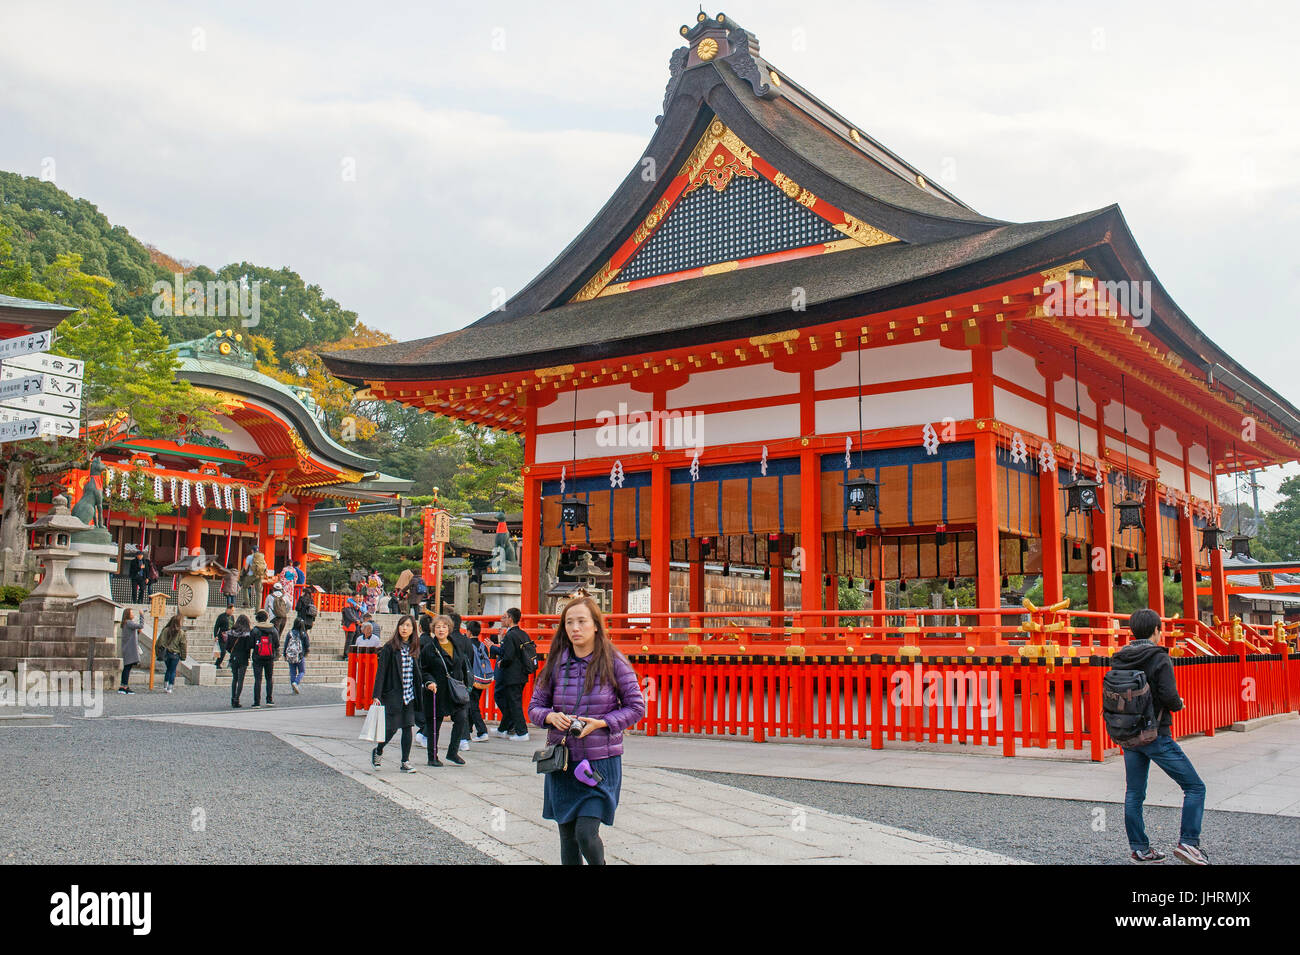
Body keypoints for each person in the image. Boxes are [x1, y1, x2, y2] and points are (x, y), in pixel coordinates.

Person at [529, 596, 645, 866]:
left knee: (586, 835)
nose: (574, 628)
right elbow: (535, 707)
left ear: (596, 625)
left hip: (599, 764)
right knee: (567, 837)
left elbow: (636, 707)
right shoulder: (557, 663)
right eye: (569, 622)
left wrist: (601, 723)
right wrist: (550, 716)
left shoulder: (613, 661)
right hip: (563, 764)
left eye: (581, 621)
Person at [1112, 607, 1208, 865]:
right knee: (1195, 787)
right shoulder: (1159, 657)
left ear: (1132, 631)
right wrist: (1179, 704)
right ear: (1156, 630)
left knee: (1134, 793)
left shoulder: (1120, 657)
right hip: (1155, 734)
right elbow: (1168, 695)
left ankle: (1139, 849)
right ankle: (1188, 843)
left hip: (1128, 734)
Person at [370, 614, 434, 774]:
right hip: (393, 693)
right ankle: (378, 750)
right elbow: (381, 672)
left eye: (408, 626)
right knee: (391, 728)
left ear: (413, 630)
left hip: (409, 694)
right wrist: (376, 694)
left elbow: (419, 671)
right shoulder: (390, 647)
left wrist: (426, 683)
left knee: (408, 727)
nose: (404, 628)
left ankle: (405, 761)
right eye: (402, 625)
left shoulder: (414, 648)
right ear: (398, 627)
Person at [422, 614, 472, 766]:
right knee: (434, 724)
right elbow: (423, 669)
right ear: (433, 629)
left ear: (449, 629)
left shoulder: (456, 644)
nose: (441, 630)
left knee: (462, 717)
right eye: (438, 627)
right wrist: (429, 681)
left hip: (455, 689)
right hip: (437, 689)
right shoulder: (429, 648)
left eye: (444, 627)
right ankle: (432, 756)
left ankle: (453, 752)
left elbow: (463, 664)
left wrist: (466, 681)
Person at [493, 608, 533, 741]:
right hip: (522, 673)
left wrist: (502, 663)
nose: (502, 619)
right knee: (512, 702)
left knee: (514, 703)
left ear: (510, 618)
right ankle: (502, 729)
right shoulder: (523, 634)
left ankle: (522, 732)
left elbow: (508, 656)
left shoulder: (511, 635)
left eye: (504, 617)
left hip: (512, 675)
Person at [465, 620, 493, 743]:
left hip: (471, 679)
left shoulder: (467, 645)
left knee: (472, 705)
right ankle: (468, 729)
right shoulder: (482, 646)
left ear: (469, 632)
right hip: (482, 679)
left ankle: (482, 731)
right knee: (473, 703)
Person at [249, 610, 279, 708]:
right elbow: (277, 643)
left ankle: (257, 702)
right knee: (269, 678)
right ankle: (269, 699)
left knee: (258, 679)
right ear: (267, 618)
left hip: (258, 656)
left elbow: (251, 644)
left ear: (257, 618)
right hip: (269, 656)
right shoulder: (273, 629)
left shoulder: (255, 630)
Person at [225, 614, 254, 708]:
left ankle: (232, 698)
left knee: (235, 678)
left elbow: (227, 647)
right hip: (243, 657)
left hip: (233, 657)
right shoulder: (247, 634)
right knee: (241, 680)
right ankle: (237, 699)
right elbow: (248, 646)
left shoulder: (231, 632)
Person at [157, 614, 186, 694]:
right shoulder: (181, 632)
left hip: (166, 653)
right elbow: (183, 645)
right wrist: (183, 656)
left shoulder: (166, 630)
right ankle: (170, 687)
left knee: (168, 669)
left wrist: (158, 652)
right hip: (175, 653)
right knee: (173, 670)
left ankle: (165, 685)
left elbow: (160, 642)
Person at [118, 609, 143, 694]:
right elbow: (141, 625)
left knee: (127, 668)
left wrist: (138, 632)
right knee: (127, 668)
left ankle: (123, 686)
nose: (133, 614)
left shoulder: (126, 623)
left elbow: (132, 634)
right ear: (128, 614)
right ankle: (124, 686)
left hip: (127, 648)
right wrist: (141, 615)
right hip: (130, 649)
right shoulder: (129, 622)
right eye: (131, 612)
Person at [283, 617, 310, 694]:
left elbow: (286, 644)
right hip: (300, 654)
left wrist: (284, 654)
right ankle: (296, 682)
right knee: (302, 671)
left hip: (291, 654)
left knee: (292, 672)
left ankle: (293, 688)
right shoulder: (303, 634)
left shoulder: (290, 633)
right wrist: (306, 652)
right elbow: (307, 645)